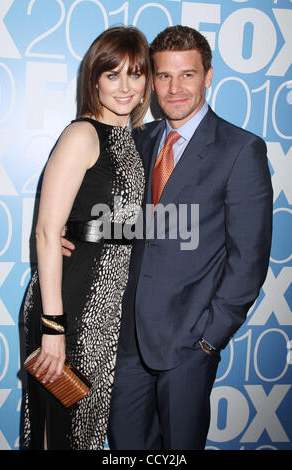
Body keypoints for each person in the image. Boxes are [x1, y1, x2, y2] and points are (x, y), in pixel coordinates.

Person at [63, 26, 273, 450]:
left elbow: (248, 261)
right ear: (152, 81)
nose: (174, 88)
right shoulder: (138, 141)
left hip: (189, 344)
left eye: (188, 75)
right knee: (126, 448)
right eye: (163, 76)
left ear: (208, 76)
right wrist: (79, 232)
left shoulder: (240, 149)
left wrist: (208, 339)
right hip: (126, 340)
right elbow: (142, 226)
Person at [22, 26, 152, 450]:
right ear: (94, 79)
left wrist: (86, 230)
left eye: (135, 74)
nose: (125, 87)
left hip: (106, 316)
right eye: (112, 75)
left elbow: (124, 226)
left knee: (85, 431)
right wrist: (53, 327)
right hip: (69, 311)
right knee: (60, 430)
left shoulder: (132, 141)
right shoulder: (83, 134)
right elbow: (45, 231)